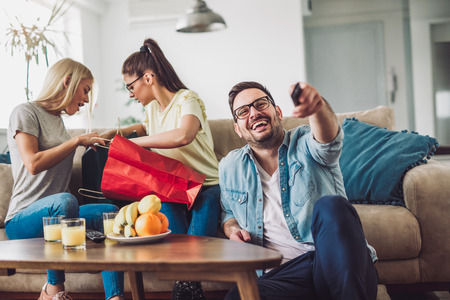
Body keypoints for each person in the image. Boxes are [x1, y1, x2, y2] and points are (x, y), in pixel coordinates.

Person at [219, 81, 378, 299]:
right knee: (238, 296)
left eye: (260, 104)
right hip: (285, 277)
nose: (254, 113)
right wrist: (232, 230)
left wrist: (318, 107)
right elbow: (228, 212)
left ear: (278, 112)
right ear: (238, 128)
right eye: (243, 111)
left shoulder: (304, 141)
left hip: (335, 265)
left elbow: (328, 141)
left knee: (331, 206)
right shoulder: (230, 167)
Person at [101, 38, 221, 299]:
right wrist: (115, 133)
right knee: (162, 210)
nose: (130, 94)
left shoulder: (187, 99)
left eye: (130, 86)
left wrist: (130, 144)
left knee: (208, 203)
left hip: (207, 183)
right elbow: (146, 128)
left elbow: (182, 135)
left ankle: (187, 282)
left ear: (148, 78)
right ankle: (188, 282)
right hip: (174, 187)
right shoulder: (152, 108)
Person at [5, 58, 124, 300]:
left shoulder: (58, 122)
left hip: (60, 210)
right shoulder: (25, 112)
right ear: (67, 81)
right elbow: (33, 163)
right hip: (22, 219)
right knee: (65, 202)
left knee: (109, 213)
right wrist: (77, 141)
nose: (87, 99)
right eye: (85, 90)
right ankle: (54, 290)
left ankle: (115, 296)